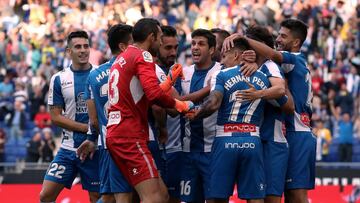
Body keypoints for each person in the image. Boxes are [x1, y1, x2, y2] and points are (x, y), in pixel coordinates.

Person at [223, 18, 315, 203]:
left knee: (295, 196)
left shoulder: (287, 61)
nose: (278, 39)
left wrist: (244, 38)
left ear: (296, 42)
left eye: (283, 36)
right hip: (287, 132)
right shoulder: (273, 67)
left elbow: (287, 103)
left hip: (295, 133)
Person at [106, 18, 193, 203]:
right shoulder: (143, 55)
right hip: (129, 134)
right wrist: (180, 105)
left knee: (161, 194)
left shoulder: (122, 56)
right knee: (153, 198)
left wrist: (168, 82)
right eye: (160, 37)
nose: (161, 42)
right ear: (151, 37)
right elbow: (153, 96)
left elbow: (141, 93)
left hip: (117, 132)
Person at [190, 38, 270, 203]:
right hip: (252, 141)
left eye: (224, 56)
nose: (221, 61)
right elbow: (284, 103)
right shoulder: (264, 77)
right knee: (255, 198)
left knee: (217, 198)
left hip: (225, 140)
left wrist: (197, 113)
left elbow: (213, 103)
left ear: (236, 55)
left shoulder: (222, 74)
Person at [40, 30, 100, 203]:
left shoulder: (100, 74)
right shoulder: (59, 79)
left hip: (95, 149)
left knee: (95, 197)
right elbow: (55, 117)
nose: (83, 50)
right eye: (77, 47)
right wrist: (86, 128)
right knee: (46, 195)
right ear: (68, 51)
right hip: (68, 149)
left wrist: (93, 134)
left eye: (86, 46)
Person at [77, 24, 134, 203]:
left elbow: (93, 120)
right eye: (134, 42)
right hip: (132, 141)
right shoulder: (134, 68)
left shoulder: (94, 76)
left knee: (110, 196)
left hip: (107, 144)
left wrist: (92, 138)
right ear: (124, 45)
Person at [237, 25, 295, 203]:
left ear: (260, 45)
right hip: (251, 141)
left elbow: (289, 105)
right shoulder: (246, 67)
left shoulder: (270, 66)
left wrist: (260, 93)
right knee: (252, 198)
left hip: (272, 142)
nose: (245, 49)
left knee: (270, 198)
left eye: (248, 43)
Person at [179, 28, 222, 203]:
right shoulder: (184, 73)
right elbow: (172, 103)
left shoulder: (221, 71)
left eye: (201, 44)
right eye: (194, 43)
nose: (195, 48)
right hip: (188, 151)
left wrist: (183, 102)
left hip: (213, 150)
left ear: (212, 50)